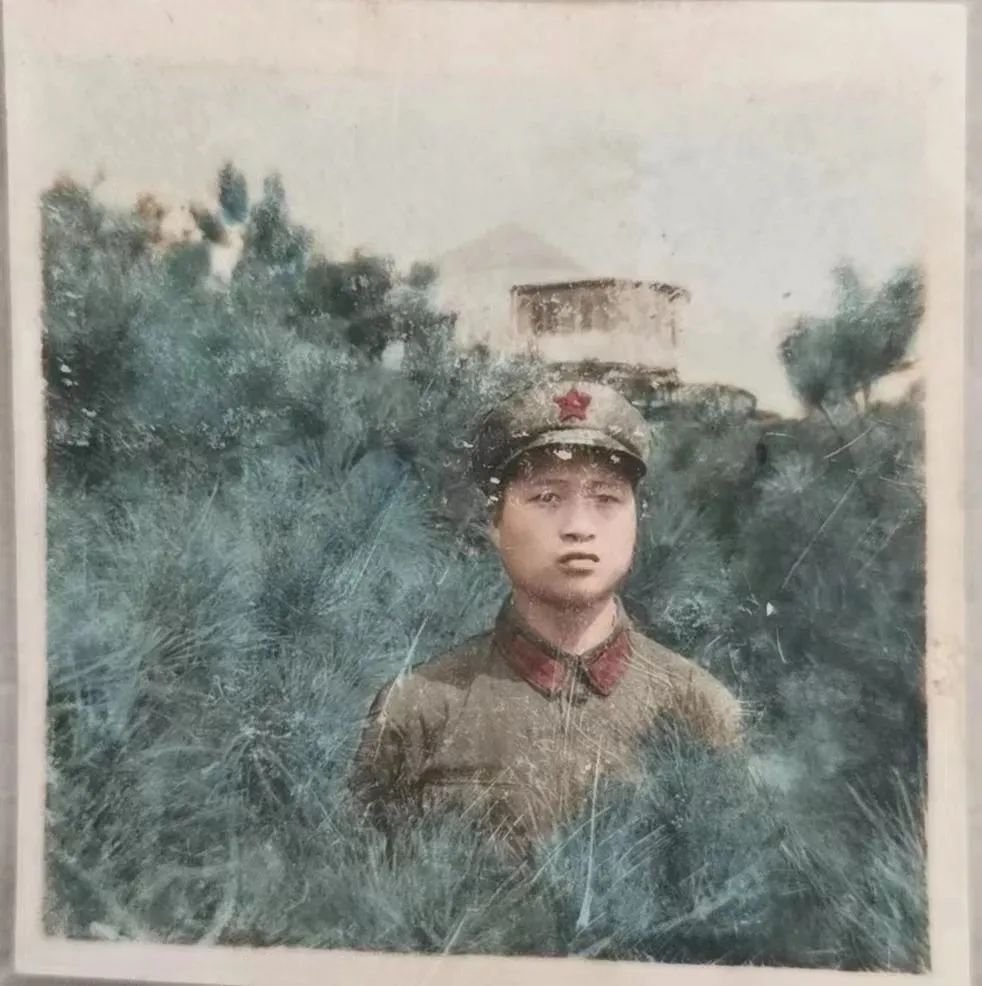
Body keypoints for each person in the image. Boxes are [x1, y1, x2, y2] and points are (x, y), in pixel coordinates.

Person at [349, 379, 742, 855]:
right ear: (495, 523)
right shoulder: (420, 708)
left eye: (606, 498)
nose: (578, 527)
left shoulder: (697, 706)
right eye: (547, 498)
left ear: (637, 520)